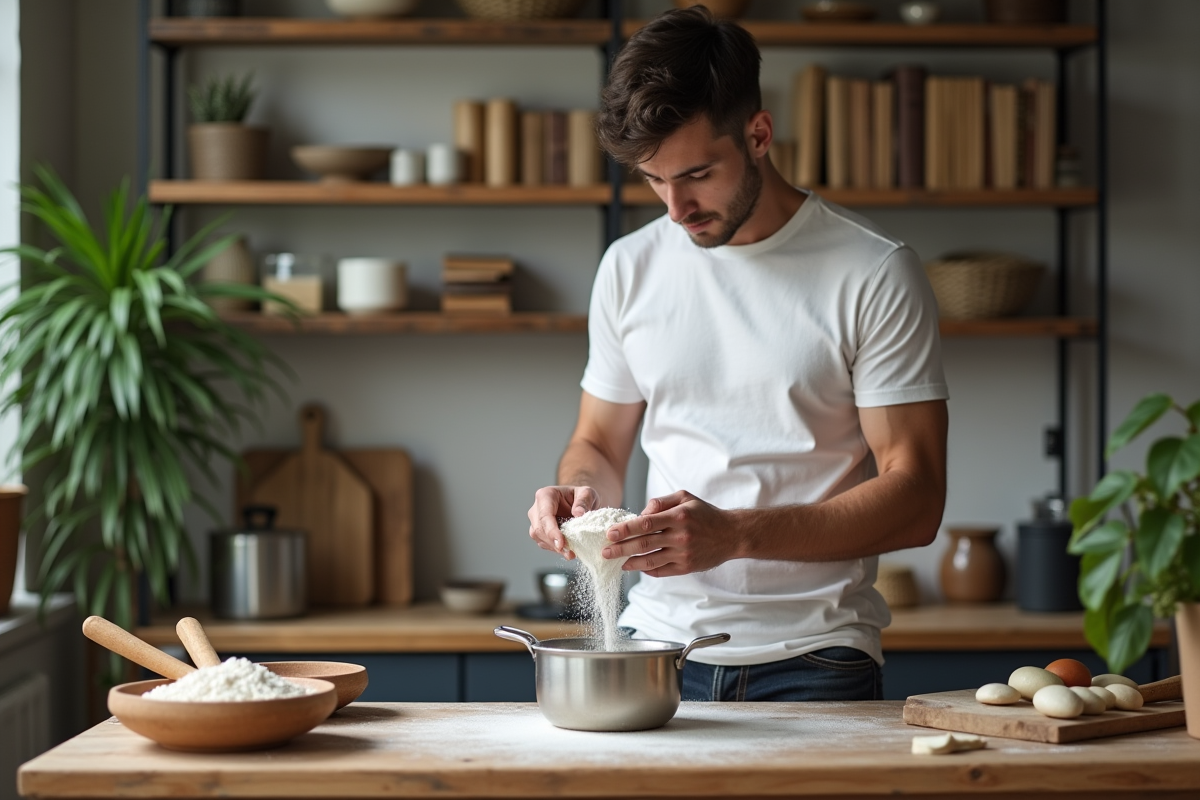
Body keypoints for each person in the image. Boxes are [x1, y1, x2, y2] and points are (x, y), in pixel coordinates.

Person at [526, 6, 949, 702]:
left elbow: (917, 498)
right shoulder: (630, 267)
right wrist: (579, 499)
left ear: (758, 134)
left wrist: (735, 535)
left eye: (696, 174)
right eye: (654, 179)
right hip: (655, 646)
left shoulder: (872, 271)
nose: (675, 208)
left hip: (818, 659)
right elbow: (598, 442)